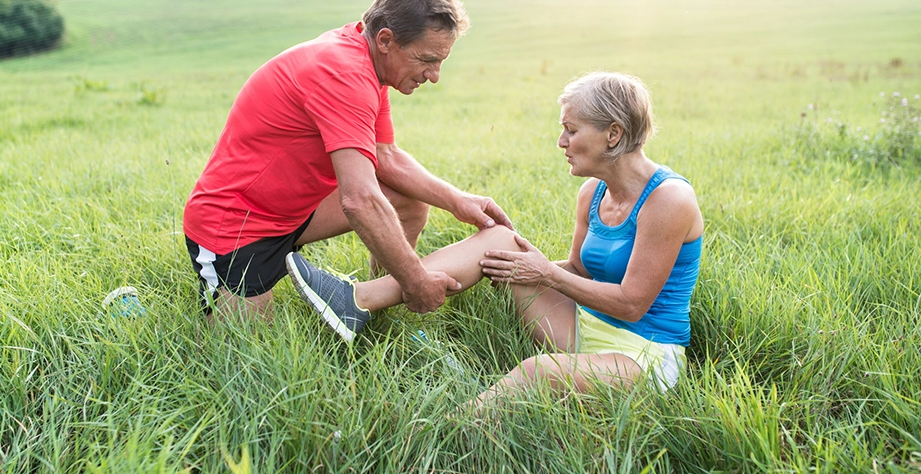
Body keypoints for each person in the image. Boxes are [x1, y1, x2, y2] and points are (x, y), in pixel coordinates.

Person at [286, 71, 703, 400]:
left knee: (537, 372)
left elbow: (631, 304)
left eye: (571, 130)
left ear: (613, 134)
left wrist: (546, 274)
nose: (561, 142)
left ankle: (450, 435)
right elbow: (578, 268)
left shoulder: (669, 200)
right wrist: (505, 267)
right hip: (584, 326)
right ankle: (357, 300)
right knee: (499, 240)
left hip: (645, 355)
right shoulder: (593, 192)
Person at [182, 0, 512, 324]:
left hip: (294, 214)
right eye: (427, 59)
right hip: (236, 227)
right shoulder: (344, 74)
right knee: (245, 352)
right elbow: (359, 200)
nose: (434, 76)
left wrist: (457, 200)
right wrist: (416, 283)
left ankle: (364, 304)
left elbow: (386, 157)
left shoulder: (368, 61)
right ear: (386, 40)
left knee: (407, 201)